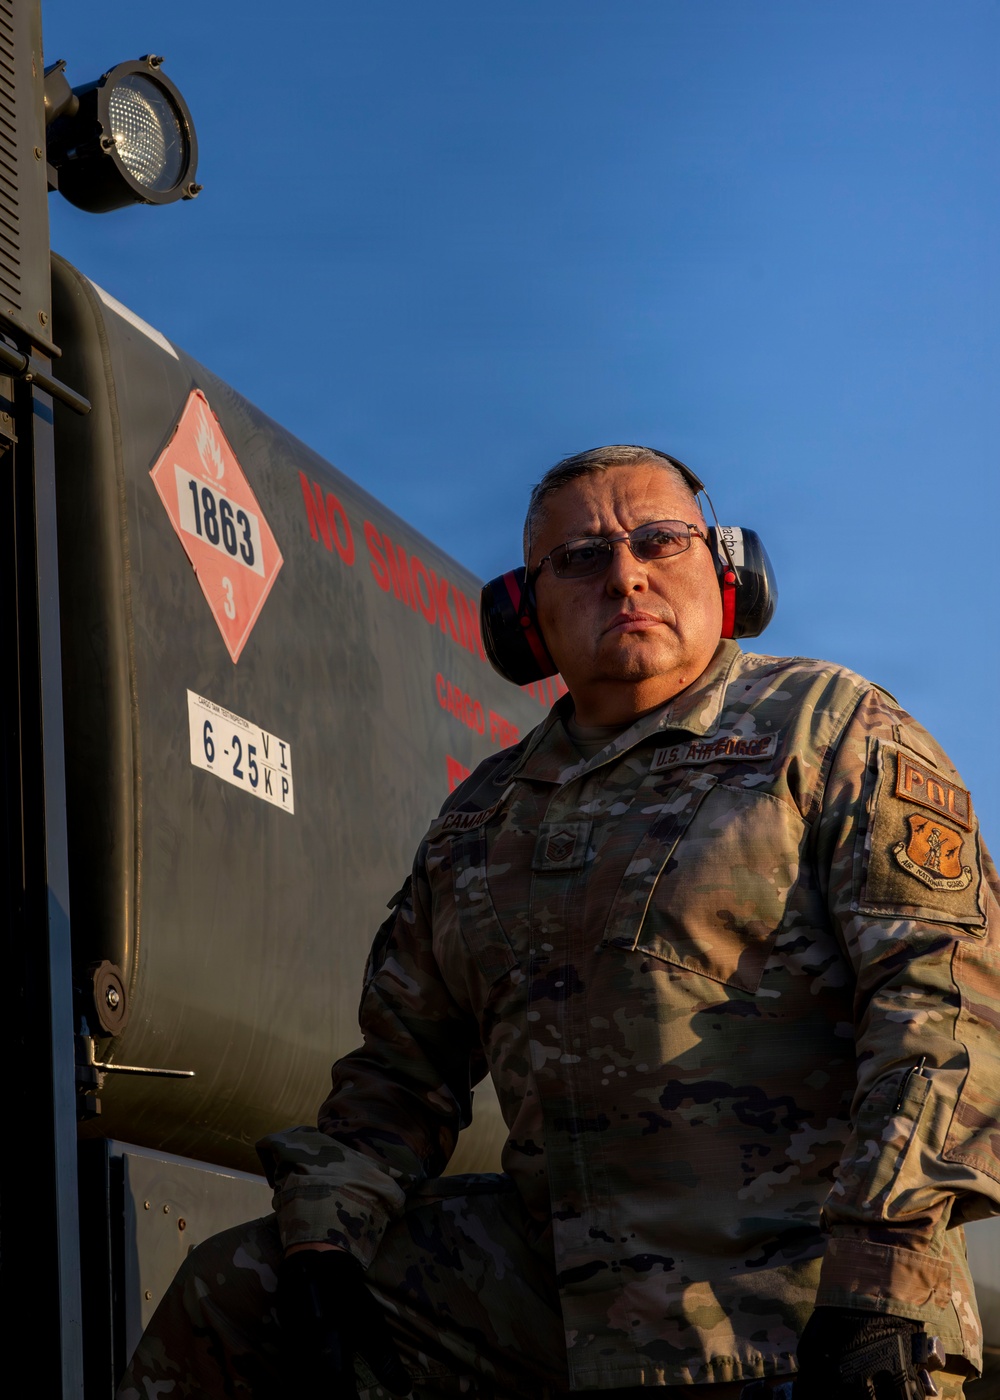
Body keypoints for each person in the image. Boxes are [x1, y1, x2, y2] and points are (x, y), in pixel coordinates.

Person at [118, 445, 1000, 1400]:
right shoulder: (480, 818)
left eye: (662, 541)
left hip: (798, 1300)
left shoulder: (833, 730)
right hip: (558, 1299)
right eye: (581, 558)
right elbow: (397, 1081)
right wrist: (327, 1241)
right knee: (237, 1293)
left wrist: (883, 1276)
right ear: (524, 618)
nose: (626, 573)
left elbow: (948, 1004)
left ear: (727, 570)